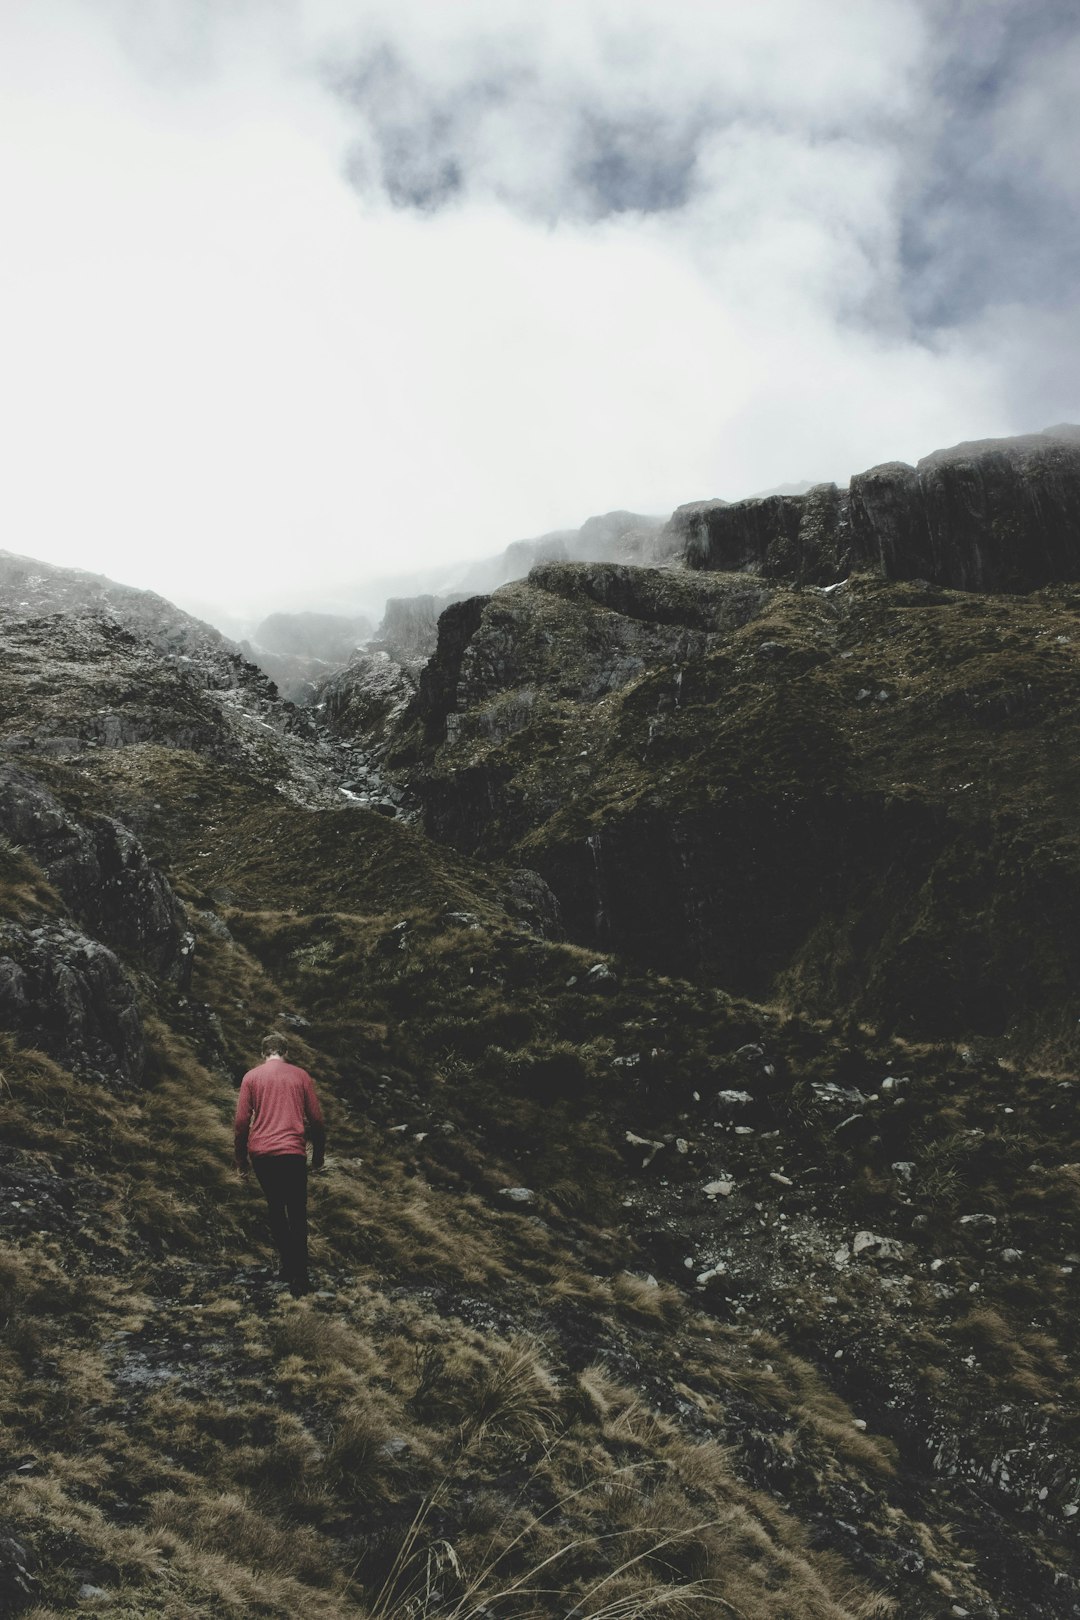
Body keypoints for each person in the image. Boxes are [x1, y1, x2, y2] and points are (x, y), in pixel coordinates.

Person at [234, 1032, 326, 1297]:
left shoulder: (251, 1077)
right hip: (293, 1152)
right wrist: (318, 1156)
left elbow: (241, 1123)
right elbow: (317, 1121)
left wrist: (241, 1161)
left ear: (263, 1053)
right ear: (286, 1052)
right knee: (297, 1211)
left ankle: (287, 1266)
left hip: (262, 1154)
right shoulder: (300, 1076)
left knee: (276, 1208)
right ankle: (300, 1276)